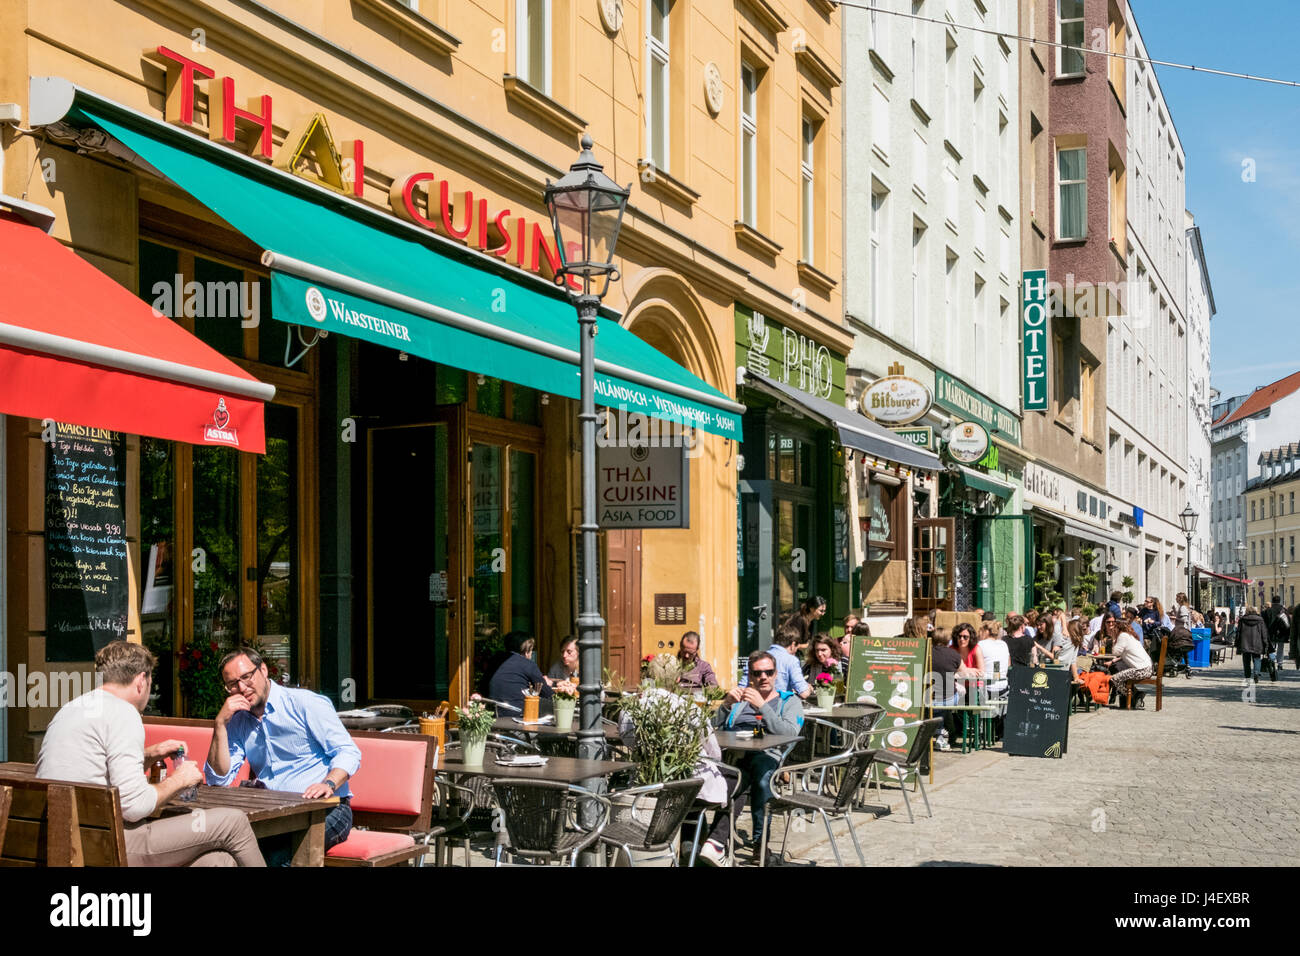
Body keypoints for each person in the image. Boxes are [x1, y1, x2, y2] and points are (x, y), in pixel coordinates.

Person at [37, 641, 265, 867]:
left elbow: (98, 767)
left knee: (217, 862)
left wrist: (151, 754)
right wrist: (181, 779)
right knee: (234, 822)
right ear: (141, 681)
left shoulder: (71, 709)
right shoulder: (123, 712)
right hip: (110, 844)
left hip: (70, 838)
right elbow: (135, 806)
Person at [206, 647, 361, 862]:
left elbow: (347, 751)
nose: (242, 688)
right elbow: (218, 779)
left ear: (263, 670)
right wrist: (220, 724)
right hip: (274, 815)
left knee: (277, 858)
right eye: (233, 684)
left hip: (325, 810)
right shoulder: (238, 720)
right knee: (224, 855)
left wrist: (329, 783)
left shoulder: (304, 703)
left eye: (246, 677)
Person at [698, 650, 804, 865]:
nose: (763, 677)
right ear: (751, 677)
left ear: (775, 675)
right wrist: (726, 704)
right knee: (707, 776)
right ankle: (704, 840)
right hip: (730, 754)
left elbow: (790, 733)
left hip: (766, 755)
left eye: (768, 672)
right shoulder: (740, 700)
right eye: (757, 673)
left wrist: (763, 707)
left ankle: (757, 843)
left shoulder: (789, 701)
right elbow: (709, 727)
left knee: (759, 777)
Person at [485, 630, 554, 713]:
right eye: (531, 650)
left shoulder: (495, 661)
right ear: (526, 651)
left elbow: (484, 688)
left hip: (493, 715)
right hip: (518, 716)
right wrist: (547, 684)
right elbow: (548, 695)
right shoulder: (528, 664)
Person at [739, 621, 811, 698]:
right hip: (780, 706)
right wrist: (808, 688)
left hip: (755, 706)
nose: (796, 651)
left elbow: (741, 690)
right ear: (793, 645)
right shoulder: (791, 660)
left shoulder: (755, 659)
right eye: (797, 648)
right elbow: (804, 693)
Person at [928, 630, 962, 750]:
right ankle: (942, 733)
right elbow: (962, 670)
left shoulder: (927, 653)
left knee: (939, 707)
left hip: (928, 699)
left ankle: (940, 733)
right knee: (949, 704)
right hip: (949, 699)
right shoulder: (954, 654)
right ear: (948, 640)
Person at [1109, 621, 1153, 707]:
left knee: (1115, 679)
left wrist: (1113, 639)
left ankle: (1133, 697)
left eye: (1113, 629)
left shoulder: (1122, 636)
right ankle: (1136, 694)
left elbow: (1115, 652)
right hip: (1146, 668)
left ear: (1117, 629)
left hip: (1141, 670)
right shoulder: (1129, 635)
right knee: (1122, 675)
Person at [1236, 607, 1270, 686]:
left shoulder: (1242, 620)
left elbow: (1238, 632)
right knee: (1257, 659)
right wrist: (1265, 643)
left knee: (1246, 661)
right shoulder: (1260, 620)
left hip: (1245, 643)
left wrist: (1237, 644)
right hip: (1257, 643)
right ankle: (1256, 674)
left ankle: (1247, 677)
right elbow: (1264, 633)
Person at [977, 622, 1010, 696]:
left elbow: (980, 670)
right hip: (1003, 686)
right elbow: (1006, 664)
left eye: (980, 631)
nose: (979, 634)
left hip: (987, 688)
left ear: (986, 631)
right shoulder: (1003, 644)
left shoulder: (981, 644)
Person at [1262, 595, 1290, 680]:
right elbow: (1288, 622)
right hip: (1281, 633)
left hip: (1270, 633)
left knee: (1271, 648)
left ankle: (1272, 662)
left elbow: (1264, 623)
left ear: (1272, 601)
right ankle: (1280, 664)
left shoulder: (1268, 610)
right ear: (1280, 601)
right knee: (1280, 648)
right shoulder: (1283, 610)